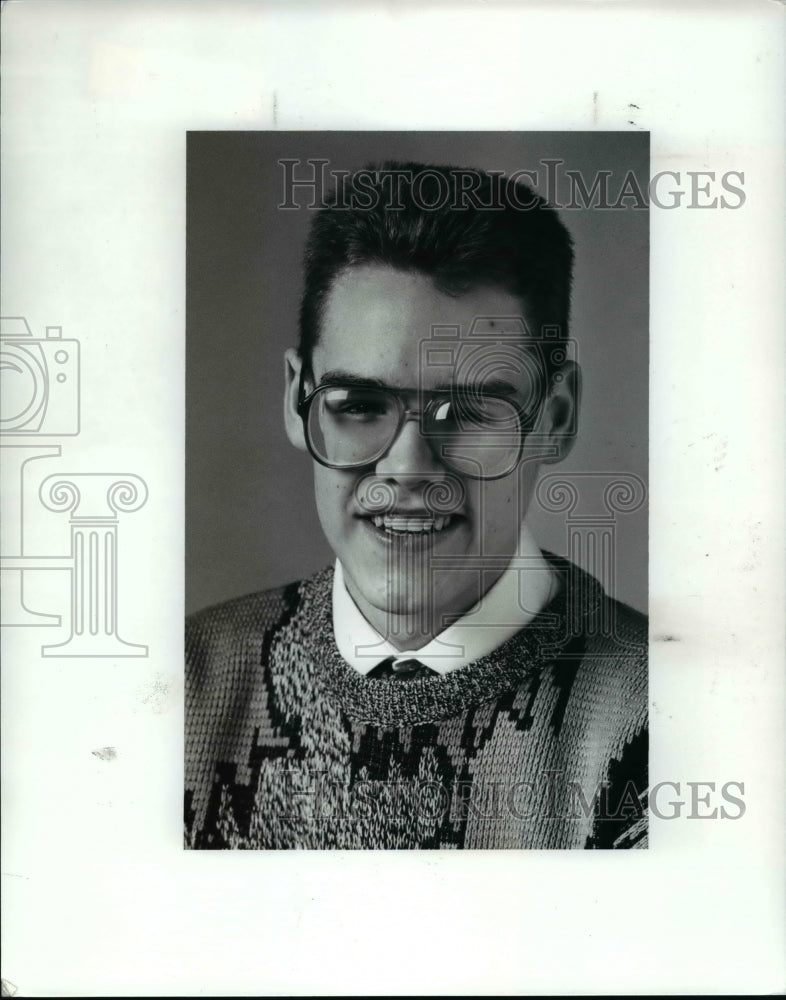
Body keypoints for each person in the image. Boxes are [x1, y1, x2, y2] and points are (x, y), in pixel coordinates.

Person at [185, 161, 648, 850]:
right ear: (295, 400)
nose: (406, 465)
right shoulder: (179, 687)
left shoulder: (668, 719)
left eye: (468, 411)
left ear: (554, 417)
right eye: (360, 405)